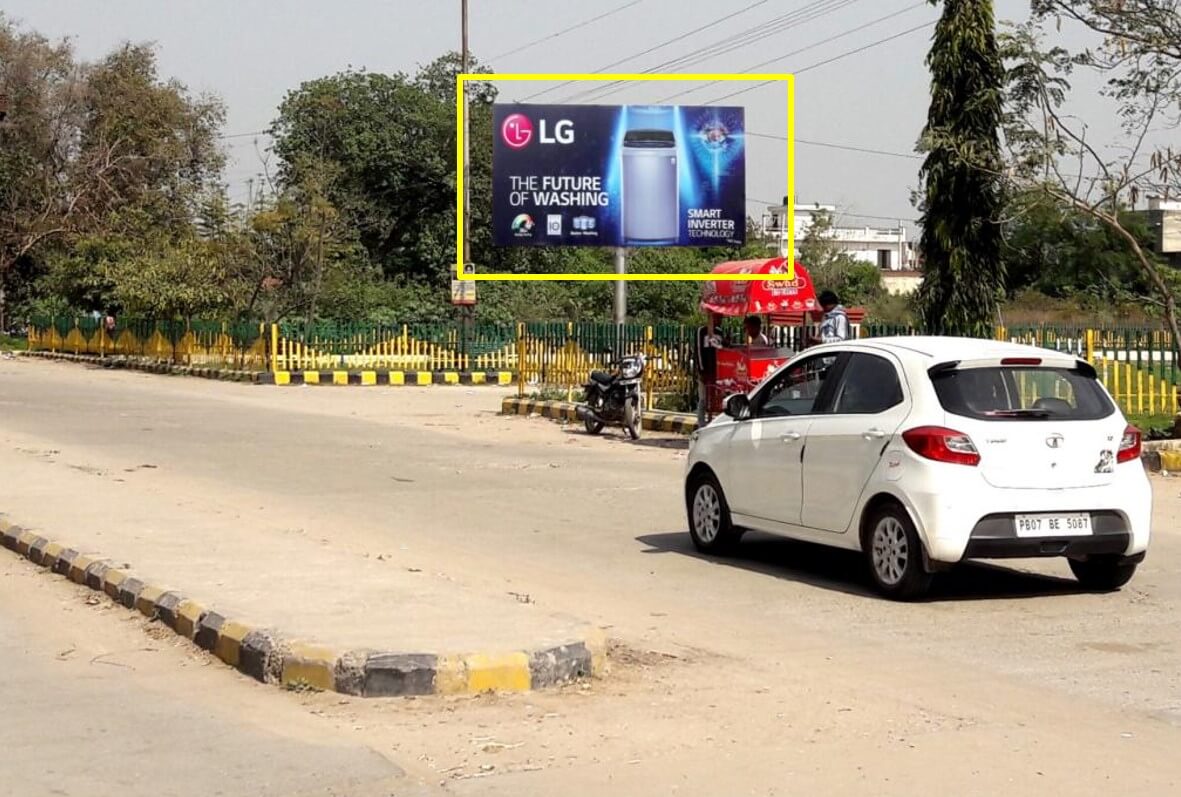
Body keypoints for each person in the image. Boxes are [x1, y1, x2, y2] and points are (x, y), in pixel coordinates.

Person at [695, 314, 724, 427]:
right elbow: (698, 351)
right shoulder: (701, 332)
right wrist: (701, 370)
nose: (719, 320)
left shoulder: (719, 332)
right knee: (703, 399)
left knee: (716, 399)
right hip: (705, 371)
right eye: (717, 318)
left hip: (717, 371)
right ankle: (701, 424)